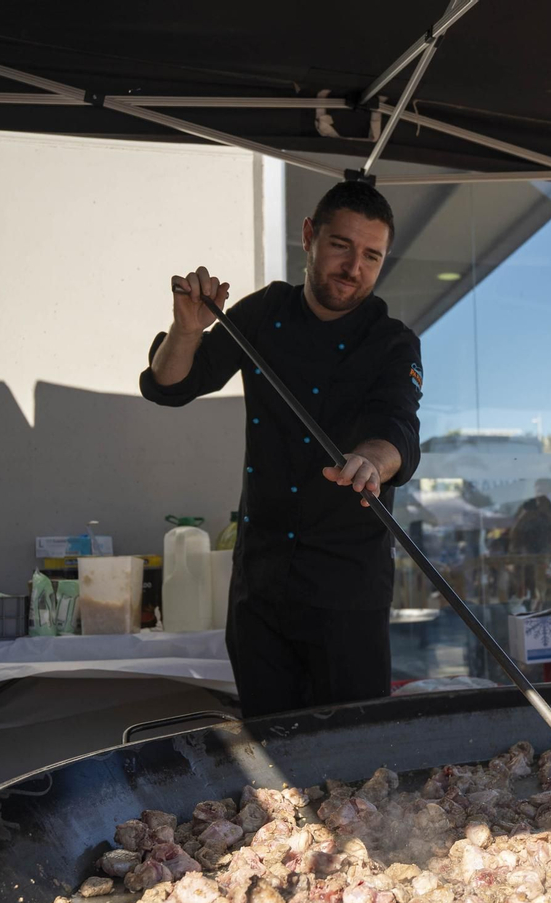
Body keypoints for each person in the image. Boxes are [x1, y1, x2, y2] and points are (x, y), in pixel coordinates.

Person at [140, 182, 421, 717]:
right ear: (309, 237)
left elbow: (398, 430)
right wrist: (186, 329)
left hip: (348, 590)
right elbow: (169, 386)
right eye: (341, 245)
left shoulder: (392, 340)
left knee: (353, 759)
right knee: (269, 751)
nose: (353, 266)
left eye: (371, 256)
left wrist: (371, 461)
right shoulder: (263, 313)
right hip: (261, 586)